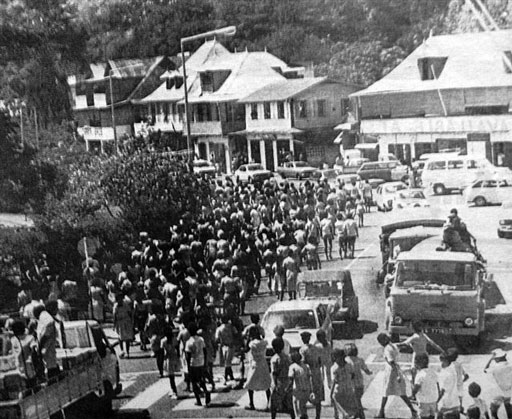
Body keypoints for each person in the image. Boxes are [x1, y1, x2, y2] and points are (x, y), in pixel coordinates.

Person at [376, 332, 417, 419]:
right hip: (396, 371)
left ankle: (381, 412)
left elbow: (392, 363)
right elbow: (399, 345)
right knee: (401, 393)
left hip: (391, 373)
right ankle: (412, 410)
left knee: (386, 392)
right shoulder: (392, 345)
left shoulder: (387, 349)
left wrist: (398, 375)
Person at [244, 327, 271, 411]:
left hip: (254, 364)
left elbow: (246, 349)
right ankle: (269, 404)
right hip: (263, 363)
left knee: (250, 384)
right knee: (266, 384)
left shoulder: (252, 343)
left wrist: (248, 339)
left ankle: (251, 403)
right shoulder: (264, 342)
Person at [185, 322, 210, 407]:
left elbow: (187, 356)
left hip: (193, 363)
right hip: (201, 362)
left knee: (194, 382)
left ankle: (198, 400)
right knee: (201, 379)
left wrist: (188, 367)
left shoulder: (189, 342)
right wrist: (205, 361)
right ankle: (206, 391)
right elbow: (205, 351)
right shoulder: (201, 339)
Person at [299, 331, 323, 419]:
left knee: (304, 395)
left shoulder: (302, 349)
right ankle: (318, 416)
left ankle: (304, 415)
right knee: (318, 396)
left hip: (307, 373)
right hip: (316, 372)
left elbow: (303, 361)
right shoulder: (316, 348)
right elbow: (320, 361)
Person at [345, 343, 372, 418]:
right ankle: (357, 415)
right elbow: (366, 370)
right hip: (360, 383)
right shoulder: (360, 360)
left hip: (351, 384)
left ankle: (362, 416)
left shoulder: (346, 360)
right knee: (357, 401)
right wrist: (369, 372)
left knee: (357, 403)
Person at [330, 348, 359, 419]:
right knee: (349, 409)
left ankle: (346, 415)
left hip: (339, 391)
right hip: (348, 389)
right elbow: (353, 375)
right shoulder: (349, 365)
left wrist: (331, 394)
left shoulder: (334, 368)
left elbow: (334, 381)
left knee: (341, 412)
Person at [269, 337, 294, 419]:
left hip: (279, 382)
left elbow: (274, 373)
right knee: (289, 404)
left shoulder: (274, 359)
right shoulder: (287, 357)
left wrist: (274, 383)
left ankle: (273, 417)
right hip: (287, 381)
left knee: (274, 403)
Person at [483, 348, 512, 419]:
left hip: (499, 392)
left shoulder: (495, 367)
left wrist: (490, 359)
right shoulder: (510, 366)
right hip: (509, 392)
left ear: (498, 359)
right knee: (509, 409)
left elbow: (485, 370)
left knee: (493, 412)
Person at [34, 303, 60, 380]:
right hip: (48, 347)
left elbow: (45, 334)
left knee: (50, 365)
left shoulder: (44, 317)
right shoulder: (45, 317)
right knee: (51, 364)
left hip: (47, 347)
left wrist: (39, 347)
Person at [10, 319, 38, 388]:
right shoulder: (14, 340)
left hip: (27, 365)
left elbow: (34, 349)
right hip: (21, 366)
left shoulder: (28, 338)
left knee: (31, 384)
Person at [411, 353, 438, 419]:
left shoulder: (419, 375)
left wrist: (412, 393)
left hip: (424, 402)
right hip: (433, 400)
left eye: (415, 362)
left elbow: (415, 389)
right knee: (432, 416)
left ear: (418, 363)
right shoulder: (433, 372)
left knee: (424, 417)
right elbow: (437, 385)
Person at [288, 351, 312, 419]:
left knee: (297, 408)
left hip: (297, 390)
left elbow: (291, 379)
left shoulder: (292, 367)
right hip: (306, 389)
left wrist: (287, 389)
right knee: (303, 407)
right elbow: (309, 377)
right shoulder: (306, 366)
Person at [215, 314, 237, 384]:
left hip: (224, 346)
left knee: (227, 362)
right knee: (228, 362)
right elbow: (236, 333)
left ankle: (226, 376)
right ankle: (230, 376)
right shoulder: (231, 327)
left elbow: (216, 338)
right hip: (231, 346)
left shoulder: (219, 328)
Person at [438, 353, 460, 419]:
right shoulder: (453, 370)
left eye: (442, 361)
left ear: (446, 361)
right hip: (455, 402)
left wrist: (436, 401)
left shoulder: (446, 373)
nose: (441, 364)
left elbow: (442, 391)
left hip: (446, 403)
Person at [113, 293, 134, 359]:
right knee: (120, 337)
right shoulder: (115, 306)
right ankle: (122, 351)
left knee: (127, 338)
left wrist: (132, 322)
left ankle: (127, 352)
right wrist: (114, 324)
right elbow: (114, 316)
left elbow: (130, 313)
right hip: (120, 322)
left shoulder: (125, 304)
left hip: (126, 321)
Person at [447, 347, 468, 412]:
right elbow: (467, 376)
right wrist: (461, 381)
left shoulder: (449, 366)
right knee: (459, 402)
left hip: (452, 386)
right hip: (459, 385)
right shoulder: (459, 365)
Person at [161, 328, 180, 398]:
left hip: (168, 359)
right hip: (174, 357)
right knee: (172, 376)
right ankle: (173, 390)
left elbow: (162, 352)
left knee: (171, 377)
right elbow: (177, 348)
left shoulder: (163, 341)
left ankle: (174, 391)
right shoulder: (174, 339)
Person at [315, 329, 332, 396]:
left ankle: (326, 394)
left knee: (324, 379)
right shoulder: (328, 344)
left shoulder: (318, 346)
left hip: (324, 364)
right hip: (326, 363)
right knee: (327, 379)